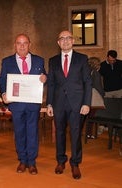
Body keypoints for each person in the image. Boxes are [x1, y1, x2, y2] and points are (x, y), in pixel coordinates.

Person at [46, 30, 92, 179]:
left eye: (68, 38)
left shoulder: (82, 59)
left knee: (76, 134)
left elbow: (87, 82)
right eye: (62, 39)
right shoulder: (52, 61)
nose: (65, 41)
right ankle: (61, 161)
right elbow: (51, 84)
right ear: (58, 43)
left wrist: (86, 103)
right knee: (59, 133)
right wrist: (49, 104)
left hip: (77, 104)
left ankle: (75, 163)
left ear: (73, 41)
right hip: (59, 104)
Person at [0, 33, 47, 175]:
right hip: (17, 104)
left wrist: (45, 78)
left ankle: (32, 162)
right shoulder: (7, 61)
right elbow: (2, 80)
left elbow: (44, 76)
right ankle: (22, 160)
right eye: (19, 43)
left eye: (25, 43)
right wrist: (3, 93)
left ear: (29, 44)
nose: (22, 46)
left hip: (33, 104)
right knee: (19, 133)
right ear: (15, 45)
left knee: (32, 133)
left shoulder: (39, 60)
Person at [86, 57, 105, 138]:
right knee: (92, 116)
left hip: (85, 95)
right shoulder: (95, 73)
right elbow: (98, 86)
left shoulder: (85, 71)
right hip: (94, 96)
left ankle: (85, 133)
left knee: (85, 116)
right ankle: (89, 134)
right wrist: (103, 94)